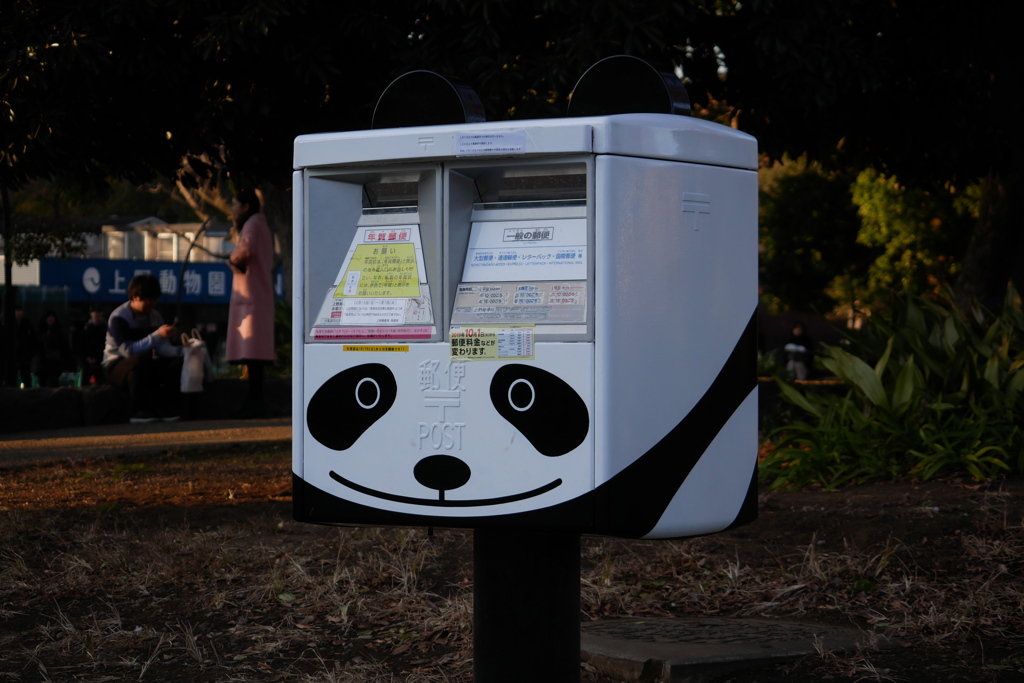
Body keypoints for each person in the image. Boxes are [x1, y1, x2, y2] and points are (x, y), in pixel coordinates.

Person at [102, 273, 183, 423]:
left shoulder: (155, 316)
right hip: (116, 366)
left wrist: (182, 351)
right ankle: (138, 410)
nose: (152, 304)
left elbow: (163, 348)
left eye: (155, 300)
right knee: (139, 362)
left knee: (174, 363)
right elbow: (128, 351)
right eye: (149, 300)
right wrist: (158, 335)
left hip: (145, 363)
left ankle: (166, 408)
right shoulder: (119, 317)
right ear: (135, 297)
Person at [226, 188, 275, 418]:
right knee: (255, 353)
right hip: (260, 294)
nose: (232, 209)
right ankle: (256, 400)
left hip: (250, 296)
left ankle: (255, 402)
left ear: (245, 206)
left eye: (235, 204)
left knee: (252, 352)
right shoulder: (261, 224)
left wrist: (232, 258)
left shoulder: (251, 225)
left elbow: (244, 249)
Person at [32, 309, 69, 387]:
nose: (51, 319)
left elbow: (64, 348)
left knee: (50, 385)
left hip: (52, 364)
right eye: (49, 317)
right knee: (45, 385)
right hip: (43, 363)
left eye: (52, 317)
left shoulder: (58, 332)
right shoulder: (40, 332)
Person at [79, 304, 108, 385]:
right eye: (94, 311)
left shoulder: (107, 328)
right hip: (87, 363)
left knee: (102, 386)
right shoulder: (85, 328)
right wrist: (86, 358)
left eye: (98, 312)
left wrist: (99, 358)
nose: (96, 314)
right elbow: (81, 346)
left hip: (101, 363)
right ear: (90, 313)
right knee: (84, 386)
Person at [12, 305, 37, 388]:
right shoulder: (10, 324)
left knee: (26, 378)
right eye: (17, 310)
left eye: (20, 310)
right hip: (16, 357)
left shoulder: (27, 324)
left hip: (24, 357)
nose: (18, 312)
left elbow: (33, 340)